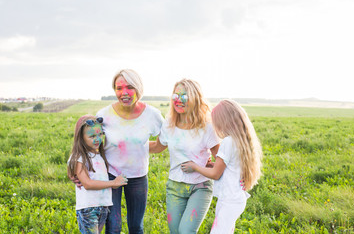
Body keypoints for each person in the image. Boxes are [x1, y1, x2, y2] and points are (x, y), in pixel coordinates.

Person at [96, 69, 164, 234]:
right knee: (113, 228)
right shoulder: (104, 115)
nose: (124, 93)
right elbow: (90, 145)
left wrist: (139, 147)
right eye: (119, 88)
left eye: (129, 87)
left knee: (136, 227)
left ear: (138, 89)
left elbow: (164, 142)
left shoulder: (152, 115)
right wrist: (79, 171)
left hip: (138, 177)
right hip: (111, 176)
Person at [181, 100, 263, 234]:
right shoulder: (240, 141)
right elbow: (230, 168)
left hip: (229, 200)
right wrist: (210, 164)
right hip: (235, 199)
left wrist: (195, 167)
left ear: (223, 122)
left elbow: (215, 174)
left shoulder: (228, 142)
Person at [149, 79, 220, 234]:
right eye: (176, 95)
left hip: (200, 187)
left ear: (195, 98)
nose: (178, 100)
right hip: (174, 187)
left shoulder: (207, 126)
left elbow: (221, 158)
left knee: (186, 232)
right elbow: (157, 147)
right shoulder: (169, 123)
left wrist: (209, 167)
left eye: (184, 96)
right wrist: (127, 146)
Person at [67, 115, 128, 234]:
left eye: (100, 134)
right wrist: (113, 182)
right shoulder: (79, 157)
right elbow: (87, 184)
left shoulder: (99, 155)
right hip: (88, 208)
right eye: (92, 136)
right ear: (81, 138)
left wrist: (114, 184)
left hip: (103, 206)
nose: (98, 139)